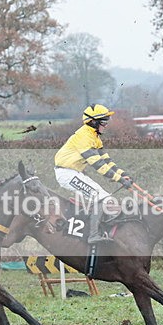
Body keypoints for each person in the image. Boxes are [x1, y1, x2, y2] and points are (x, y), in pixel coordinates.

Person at [54, 104, 133, 244]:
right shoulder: (84, 137)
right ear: (94, 122)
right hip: (66, 174)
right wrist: (120, 180)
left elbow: (106, 161)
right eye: (104, 122)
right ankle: (93, 235)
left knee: (106, 198)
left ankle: (101, 227)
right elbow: (98, 165)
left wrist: (123, 174)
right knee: (100, 198)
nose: (106, 125)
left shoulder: (95, 137)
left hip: (74, 172)